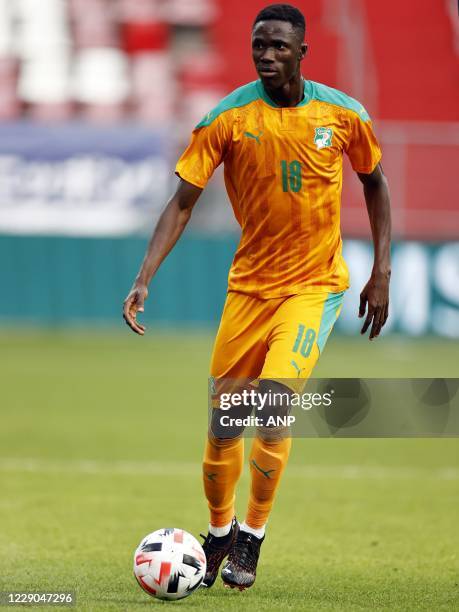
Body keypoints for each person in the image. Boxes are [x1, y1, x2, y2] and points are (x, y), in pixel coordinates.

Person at [123, 3, 391, 591]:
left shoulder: (343, 114)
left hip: (315, 285)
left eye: (278, 47)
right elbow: (183, 201)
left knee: (271, 402)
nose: (266, 56)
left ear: (302, 52)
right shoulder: (227, 116)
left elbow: (374, 183)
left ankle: (253, 536)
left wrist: (381, 270)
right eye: (258, 47)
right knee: (223, 424)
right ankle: (218, 532)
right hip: (249, 288)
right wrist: (145, 275)